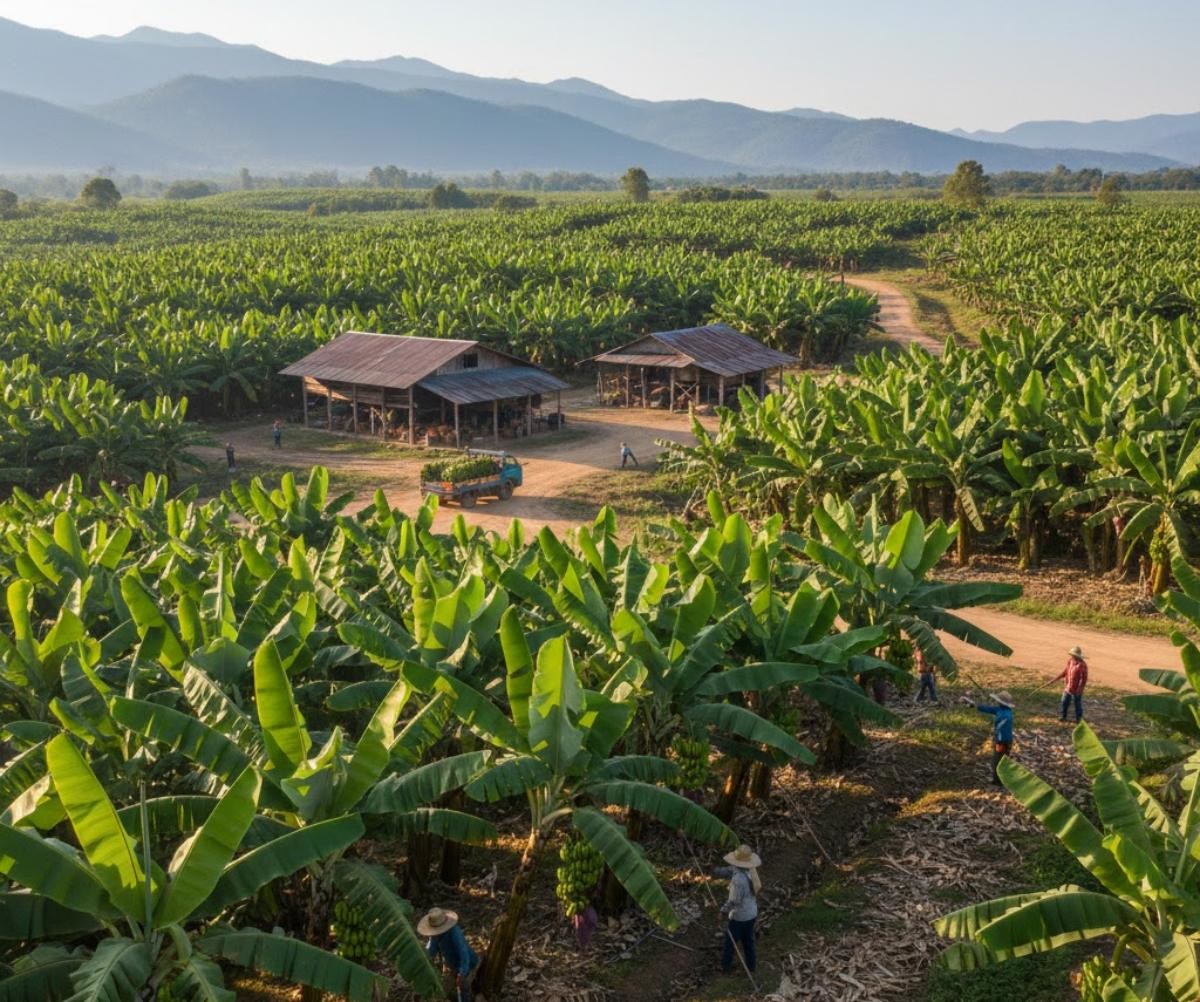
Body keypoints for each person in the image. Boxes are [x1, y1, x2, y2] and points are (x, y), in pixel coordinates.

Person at [714, 844, 760, 975]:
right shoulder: (750, 871)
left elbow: (734, 901)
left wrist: (723, 911)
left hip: (740, 916)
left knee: (730, 942)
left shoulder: (738, 880)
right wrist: (715, 871)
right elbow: (729, 870)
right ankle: (751, 966)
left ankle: (725, 967)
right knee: (748, 940)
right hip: (751, 913)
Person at [419, 907, 479, 1002]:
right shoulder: (435, 935)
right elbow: (431, 950)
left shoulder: (454, 932)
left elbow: (463, 953)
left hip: (467, 964)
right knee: (445, 989)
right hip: (453, 966)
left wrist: (462, 973)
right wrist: (424, 961)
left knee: (463, 987)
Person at [962, 690, 1014, 786]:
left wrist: (998, 741)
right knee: (1001, 760)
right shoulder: (1001, 710)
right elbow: (988, 709)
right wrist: (974, 704)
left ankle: (998, 781)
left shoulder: (1005, 715)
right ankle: (1001, 779)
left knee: (998, 761)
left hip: (1002, 742)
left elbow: (1001, 729)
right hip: (1004, 740)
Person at [1056, 645, 1088, 723]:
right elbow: (1066, 671)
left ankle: (1079, 719)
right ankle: (1062, 716)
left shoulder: (1082, 665)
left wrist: (1080, 689)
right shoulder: (1070, 661)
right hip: (1068, 687)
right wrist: (1058, 677)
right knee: (1064, 702)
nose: (1072, 656)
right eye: (1072, 655)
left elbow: (1083, 679)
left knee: (1077, 704)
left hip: (1077, 689)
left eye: (1074, 655)